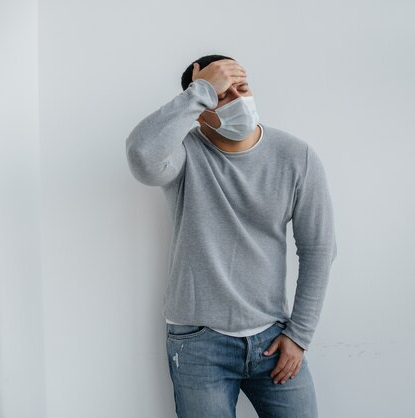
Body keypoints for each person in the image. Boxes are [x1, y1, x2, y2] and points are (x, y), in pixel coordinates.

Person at [125, 54, 338, 417]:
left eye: (243, 87)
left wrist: (299, 335)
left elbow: (318, 249)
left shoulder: (295, 157)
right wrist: (202, 90)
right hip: (197, 342)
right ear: (200, 107)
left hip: (275, 338)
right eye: (224, 94)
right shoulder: (183, 154)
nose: (238, 99)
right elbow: (143, 159)